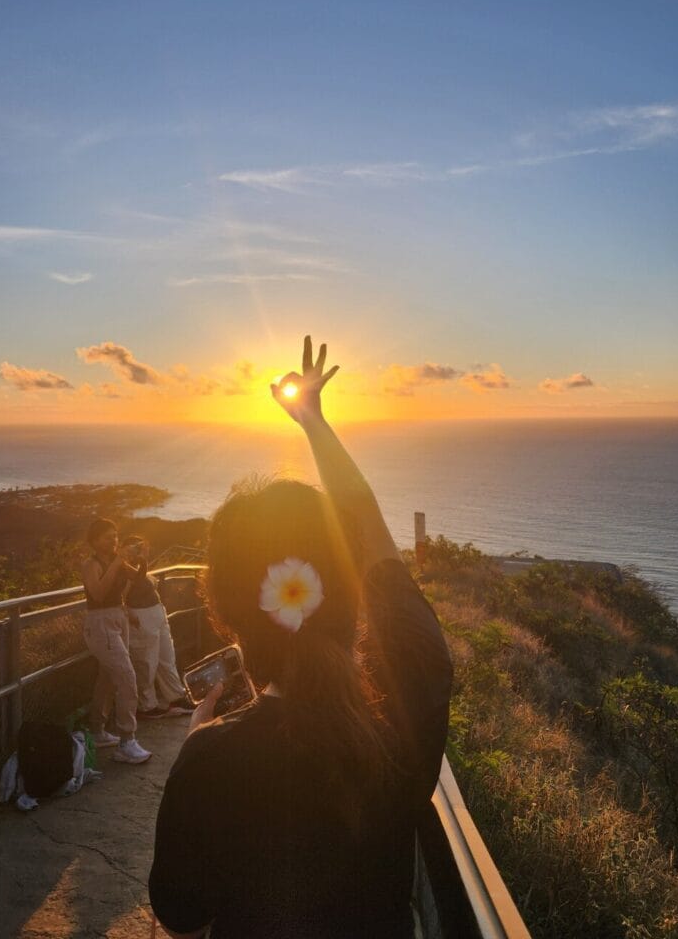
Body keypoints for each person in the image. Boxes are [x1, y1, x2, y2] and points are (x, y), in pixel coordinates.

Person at [149, 337, 453, 938]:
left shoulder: (212, 760)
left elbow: (181, 917)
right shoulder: (407, 703)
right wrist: (313, 420)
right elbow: (368, 530)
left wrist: (197, 745)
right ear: (348, 587)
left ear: (229, 615)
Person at [81, 519, 152, 764]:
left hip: (118, 619)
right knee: (127, 677)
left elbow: (141, 580)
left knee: (108, 677)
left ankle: (98, 730)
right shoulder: (91, 564)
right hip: (100, 623)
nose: (112, 540)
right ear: (94, 540)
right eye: (106, 537)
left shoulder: (118, 562)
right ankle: (126, 740)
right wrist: (116, 562)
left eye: (115, 536)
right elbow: (98, 593)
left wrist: (141, 558)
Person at [120, 534, 195, 718]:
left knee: (166, 658)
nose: (137, 550)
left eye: (140, 547)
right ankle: (147, 706)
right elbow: (120, 596)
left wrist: (142, 559)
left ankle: (176, 697)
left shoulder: (137, 567)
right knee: (146, 663)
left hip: (156, 613)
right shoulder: (123, 569)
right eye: (133, 547)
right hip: (141, 616)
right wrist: (129, 615)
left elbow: (143, 577)